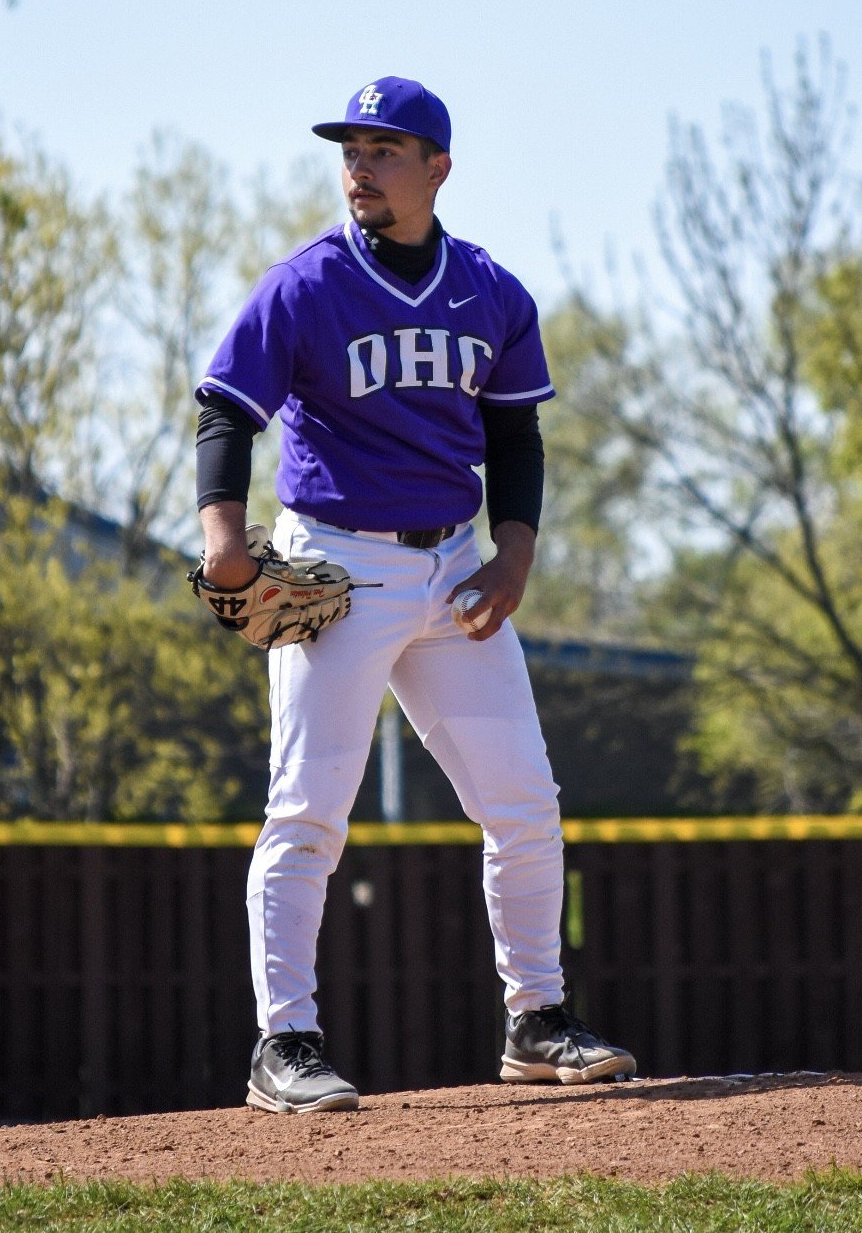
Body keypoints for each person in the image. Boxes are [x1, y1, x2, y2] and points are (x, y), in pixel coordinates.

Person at [195, 76, 635, 1113]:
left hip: (453, 571)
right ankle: (285, 1039)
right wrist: (223, 540)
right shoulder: (304, 286)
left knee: (525, 802)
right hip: (337, 567)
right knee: (307, 812)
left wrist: (515, 553)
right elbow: (224, 408)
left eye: (384, 149)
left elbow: (516, 433)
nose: (360, 165)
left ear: (438, 165)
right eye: (351, 149)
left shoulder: (490, 291)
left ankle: (537, 1018)